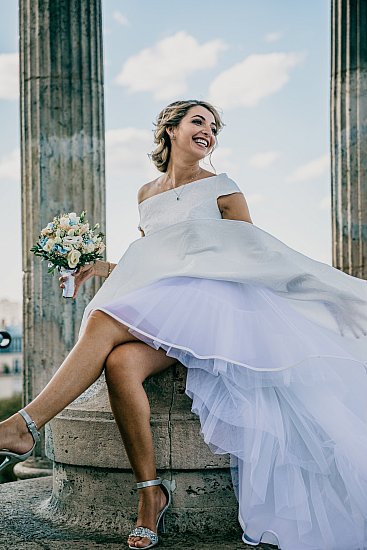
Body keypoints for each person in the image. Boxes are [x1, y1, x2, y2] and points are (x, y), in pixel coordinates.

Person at [1, 99, 367, 550]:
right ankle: (150, 494)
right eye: (198, 121)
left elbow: (258, 257)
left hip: (211, 309)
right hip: (169, 307)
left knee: (102, 316)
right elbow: (157, 264)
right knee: (119, 365)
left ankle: (25, 425)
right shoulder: (145, 195)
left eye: (214, 127)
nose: (208, 131)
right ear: (170, 129)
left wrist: (325, 295)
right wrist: (99, 268)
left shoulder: (223, 188)